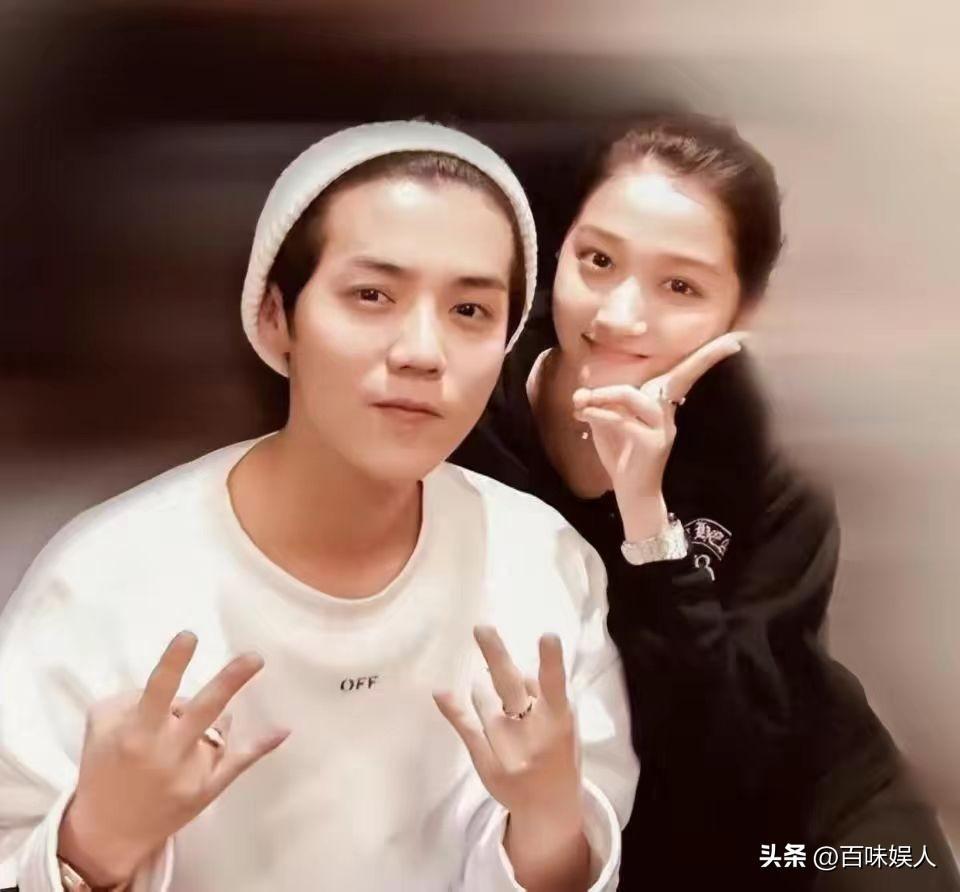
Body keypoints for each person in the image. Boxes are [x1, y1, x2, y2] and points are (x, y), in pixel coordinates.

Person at [0, 121, 639, 892]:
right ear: (277, 317)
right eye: (372, 295)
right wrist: (97, 841)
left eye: (470, 311)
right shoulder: (106, 577)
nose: (421, 351)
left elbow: (577, 857)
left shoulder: (542, 562)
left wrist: (546, 821)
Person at [453, 113, 960, 890]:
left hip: (792, 811)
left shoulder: (776, 451)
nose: (618, 316)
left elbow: (735, 746)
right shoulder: (467, 410)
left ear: (742, 313)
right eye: (597, 260)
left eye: (680, 286)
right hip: (570, 810)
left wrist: (646, 517)